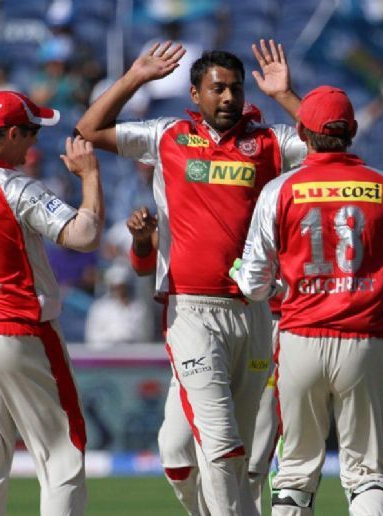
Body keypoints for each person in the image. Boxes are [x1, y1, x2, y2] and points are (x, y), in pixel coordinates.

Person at [76, 40, 307, 515]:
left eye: (236, 89)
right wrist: (136, 77)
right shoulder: (168, 136)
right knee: (213, 447)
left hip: (254, 312)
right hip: (191, 310)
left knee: (226, 457)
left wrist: (285, 94)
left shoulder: (270, 142)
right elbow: (89, 129)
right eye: (218, 89)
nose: (228, 97)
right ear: (195, 94)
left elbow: (331, 141)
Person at [232, 85, 383, 516]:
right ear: (353, 130)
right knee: (367, 472)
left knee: (295, 473)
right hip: (365, 340)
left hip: (300, 339)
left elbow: (253, 285)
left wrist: (261, 277)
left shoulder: (280, 189)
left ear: (301, 133)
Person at [0, 90, 104, 516]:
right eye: (30, 131)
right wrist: (89, 176)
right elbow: (84, 236)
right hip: (18, 328)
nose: (34, 141)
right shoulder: (17, 188)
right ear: (11, 134)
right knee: (62, 455)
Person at [126, 206, 283, 515]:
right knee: (176, 457)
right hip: (197, 322)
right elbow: (148, 262)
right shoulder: (185, 193)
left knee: (248, 466)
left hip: (267, 321)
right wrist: (142, 241)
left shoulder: (272, 187)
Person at [84, 262, 150, 347]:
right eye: (116, 287)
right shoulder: (99, 308)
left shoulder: (139, 308)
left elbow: (143, 336)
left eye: (122, 287)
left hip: (132, 351)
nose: (120, 290)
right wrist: (114, 340)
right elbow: (92, 337)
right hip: (105, 351)